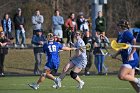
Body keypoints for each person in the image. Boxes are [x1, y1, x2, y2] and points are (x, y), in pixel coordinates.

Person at [112, 19, 140, 93]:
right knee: (131, 81)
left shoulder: (127, 33)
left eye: (118, 25)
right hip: (126, 59)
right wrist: (115, 54)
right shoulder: (120, 35)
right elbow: (121, 47)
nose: (117, 27)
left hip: (131, 59)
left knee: (121, 76)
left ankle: (138, 80)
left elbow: (134, 41)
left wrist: (131, 54)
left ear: (121, 26)